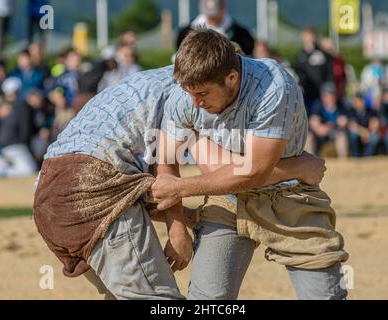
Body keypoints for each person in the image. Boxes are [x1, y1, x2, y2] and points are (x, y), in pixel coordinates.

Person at [33, 56, 328, 299]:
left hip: (51, 196)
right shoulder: (189, 98)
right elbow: (214, 172)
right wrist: (298, 167)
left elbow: (141, 187)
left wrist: (188, 218)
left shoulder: (151, 84)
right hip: (90, 191)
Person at [152, 29, 348, 300]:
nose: (195, 103)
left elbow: (255, 171)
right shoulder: (184, 96)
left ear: (231, 78)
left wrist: (181, 188)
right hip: (225, 199)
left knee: (325, 296)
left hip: (288, 194)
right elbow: (165, 164)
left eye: (203, 94)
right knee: (208, 300)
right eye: (190, 93)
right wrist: (176, 230)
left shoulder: (271, 86)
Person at [177, 0, 255, 56]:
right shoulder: (186, 33)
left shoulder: (242, 34)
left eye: (214, 14)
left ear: (223, 7)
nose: (212, 17)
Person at [293, 26, 333, 116]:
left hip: (319, 94)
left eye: (311, 36)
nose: (308, 38)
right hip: (304, 93)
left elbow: (329, 73)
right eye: (306, 36)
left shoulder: (321, 54)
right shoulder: (300, 55)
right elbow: (297, 72)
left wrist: (328, 91)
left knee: (317, 117)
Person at [308, 82, 348, 158]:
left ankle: (343, 162)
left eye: (333, 94)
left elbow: (344, 121)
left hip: (335, 132)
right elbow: (314, 123)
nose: (332, 97)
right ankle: (311, 161)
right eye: (329, 94)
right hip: (320, 135)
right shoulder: (318, 105)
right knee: (309, 138)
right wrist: (321, 128)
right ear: (323, 96)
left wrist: (328, 127)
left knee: (342, 137)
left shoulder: (340, 105)